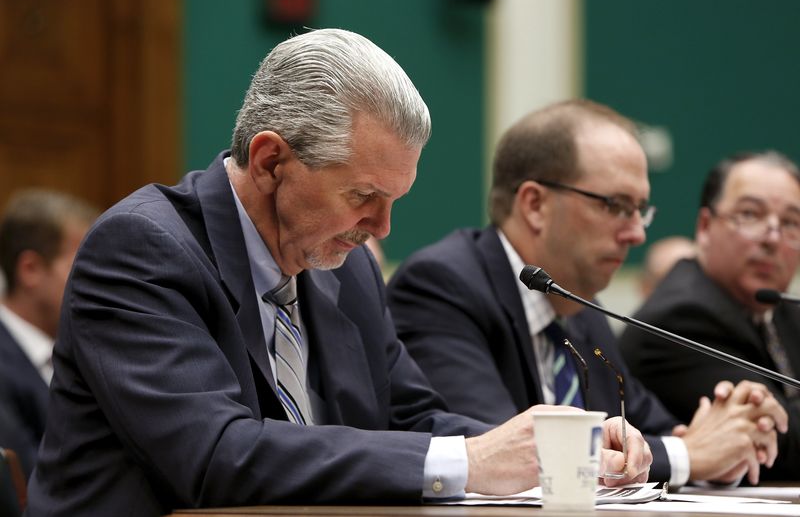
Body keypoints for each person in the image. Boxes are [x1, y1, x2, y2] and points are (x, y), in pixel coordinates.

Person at [26, 30, 649, 516]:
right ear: (271, 161)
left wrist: (563, 443)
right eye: (362, 197)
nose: (381, 229)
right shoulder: (143, 249)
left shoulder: (346, 272)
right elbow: (217, 455)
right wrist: (473, 459)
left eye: (393, 202)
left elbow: (415, 421)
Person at [387, 100, 788, 488]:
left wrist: (736, 430)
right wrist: (689, 456)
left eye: (640, 210)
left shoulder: (582, 308)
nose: (637, 233)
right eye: (616, 206)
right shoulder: (443, 285)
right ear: (535, 204)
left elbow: (656, 431)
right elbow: (495, 450)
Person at [620, 151, 800, 480]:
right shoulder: (683, 313)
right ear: (705, 226)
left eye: (790, 223)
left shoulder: (783, 309)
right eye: (750, 215)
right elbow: (774, 438)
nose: (772, 238)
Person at [0, 189, 98, 477]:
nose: (99, 282)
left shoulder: (81, 351)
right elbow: (27, 480)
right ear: (30, 269)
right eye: (83, 266)